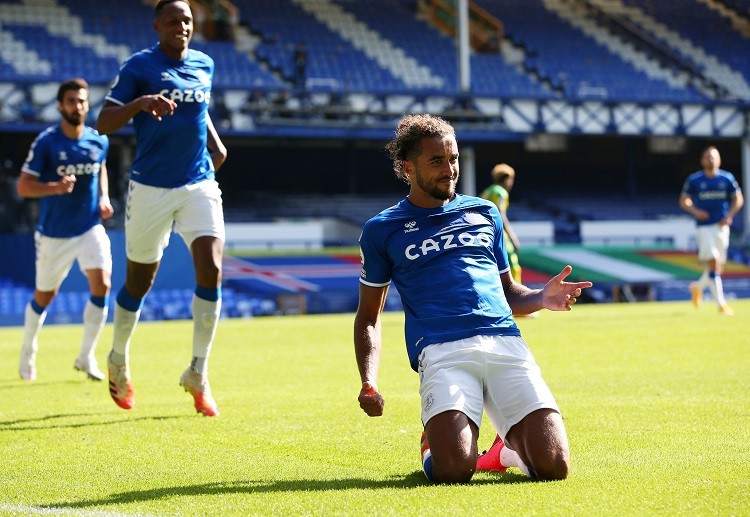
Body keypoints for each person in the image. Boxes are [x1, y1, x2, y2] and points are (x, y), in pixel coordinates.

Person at [354, 114, 592, 483]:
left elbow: (510, 293)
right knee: (453, 471)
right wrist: (369, 381)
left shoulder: (485, 212)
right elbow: (369, 316)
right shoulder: (382, 229)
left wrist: (542, 297)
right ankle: (434, 440)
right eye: (436, 161)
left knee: (554, 467)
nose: (449, 169)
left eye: (454, 159)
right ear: (408, 168)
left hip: (506, 343)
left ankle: (507, 451)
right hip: (442, 351)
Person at [97, 0, 228, 416]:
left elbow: (198, 108)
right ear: (157, 26)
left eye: (187, 20)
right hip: (150, 188)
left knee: (211, 269)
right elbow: (102, 121)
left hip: (198, 183)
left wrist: (214, 141)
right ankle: (118, 358)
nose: (181, 26)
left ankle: (198, 372)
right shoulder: (138, 67)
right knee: (139, 282)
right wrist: (139, 103)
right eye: (173, 20)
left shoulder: (205, 63)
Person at [17, 78, 114, 381]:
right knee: (45, 296)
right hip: (54, 234)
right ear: (61, 105)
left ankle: (86, 356)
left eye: (82, 101)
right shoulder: (47, 142)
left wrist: (104, 197)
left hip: (88, 227)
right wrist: (55, 188)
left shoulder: (98, 141)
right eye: (71, 101)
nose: (78, 106)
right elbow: (23, 187)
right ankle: (28, 350)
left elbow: (102, 168)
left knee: (103, 284)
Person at [679, 146, 744, 316]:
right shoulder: (695, 180)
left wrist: (730, 215)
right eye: (707, 156)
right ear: (702, 161)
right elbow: (684, 200)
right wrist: (695, 211)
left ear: (719, 160)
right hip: (704, 227)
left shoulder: (726, 178)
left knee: (717, 268)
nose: (711, 159)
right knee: (714, 262)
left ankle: (697, 287)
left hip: (721, 227)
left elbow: (738, 198)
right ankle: (721, 305)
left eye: (714, 157)